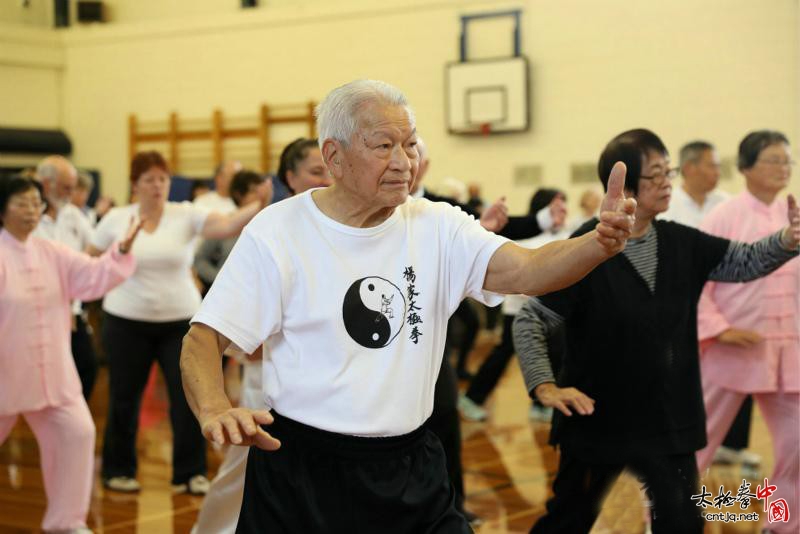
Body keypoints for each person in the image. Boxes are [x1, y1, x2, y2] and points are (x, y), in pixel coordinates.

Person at [180, 79, 636, 532]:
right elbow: (204, 337)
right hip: (303, 471)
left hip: (412, 465)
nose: (404, 162)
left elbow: (527, 270)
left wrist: (596, 244)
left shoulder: (437, 224)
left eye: (411, 144)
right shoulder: (278, 231)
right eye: (384, 146)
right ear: (334, 157)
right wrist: (215, 407)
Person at [512, 128, 800, 534]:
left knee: (682, 523)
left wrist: (787, 240)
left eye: (670, 172)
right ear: (626, 186)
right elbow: (531, 318)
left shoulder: (681, 242)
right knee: (569, 520)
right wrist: (544, 386)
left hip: (668, 421)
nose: (668, 183)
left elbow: (744, 261)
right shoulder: (584, 247)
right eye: (656, 175)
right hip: (598, 421)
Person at [90, 150, 271, 495]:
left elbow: (226, 225)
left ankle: (189, 473)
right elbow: (92, 260)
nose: (157, 185)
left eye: (163, 178)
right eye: (149, 179)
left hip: (180, 323)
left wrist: (257, 204)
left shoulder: (185, 214)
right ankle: (118, 470)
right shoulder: (116, 218)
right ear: (135, 185)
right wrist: (119, 255)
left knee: (187, 396)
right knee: (123, 398)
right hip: (125, 321)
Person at [191, 137, 331, 534]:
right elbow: (235, 304)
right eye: (315, 171)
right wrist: (248, 347)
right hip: (267, 379)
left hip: (321, 383)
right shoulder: (269, 227)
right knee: (241, 473)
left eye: (329, 169)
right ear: (290, 177)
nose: (325, 178)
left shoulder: (340, 224)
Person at [0, 175, 141, 534]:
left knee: (77, 433)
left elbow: (92, 276)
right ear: (2, 210)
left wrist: (119, 252)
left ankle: (67, 522)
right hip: (6, 373)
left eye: (35, 203)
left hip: (53, 375)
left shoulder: (51, 251)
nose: (31, 211)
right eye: (21, 203)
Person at [695, 130, 799, 534]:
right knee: (695, 445)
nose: (783, 167)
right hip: (730, 348)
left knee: (796, 443)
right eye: (773, 159)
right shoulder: (724, 216)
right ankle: (666, 518)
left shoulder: (791, 215)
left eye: (787, 160)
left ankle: (784, 524)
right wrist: (719, 329)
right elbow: (695, 281)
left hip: (786, 350)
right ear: (745, 168)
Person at [458, 188, 569, 423]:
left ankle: (540, 405)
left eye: (564, 205)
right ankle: (472, 398)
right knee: (502, 356)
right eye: (558, 206)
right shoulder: (527, 236)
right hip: (519, 312)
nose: (564, 210)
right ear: (543, 208)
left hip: (550, 313)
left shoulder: (562, 236)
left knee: (552, 355)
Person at [34, 156, 98, 400]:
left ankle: (70, 416)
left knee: (87, 367)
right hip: (37, 311)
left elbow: (93, 250)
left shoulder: (74, 216)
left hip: (71, 309)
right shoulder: (28, 215)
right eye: (66, 187)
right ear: (46, 184)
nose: (71, 194)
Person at [194, 171, 270, 289]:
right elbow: (199, 260)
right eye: (254, 191)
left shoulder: (270, 224)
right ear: (239, 195)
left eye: (261, 192)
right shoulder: (226, 224)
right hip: (230, 293)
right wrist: (220, 279)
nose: (260, 196)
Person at [661, 140, 729, 228]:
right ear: (689, 168)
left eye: (718, 167)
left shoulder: (725, 202)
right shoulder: (666, 206)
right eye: (712, 166)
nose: (717, 173)